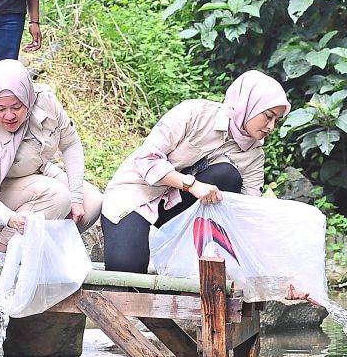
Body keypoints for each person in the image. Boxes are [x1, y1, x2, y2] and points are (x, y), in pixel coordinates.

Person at [100, 71, 291, 274]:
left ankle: (196, 256)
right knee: (126, 272)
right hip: (136, 197)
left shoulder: (253, 155)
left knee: (227, 175)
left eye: (276, 121)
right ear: (247, 104)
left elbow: (249, 213)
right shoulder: (195, 113)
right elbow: (145, 159)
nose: (270, 127)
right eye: (268, 116)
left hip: (182, 213)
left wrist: (280, 272)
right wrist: (192, 185)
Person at [0, 58, 102, 269]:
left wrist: (76, 198)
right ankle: (0, 252)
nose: (9, 115)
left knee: (91, 202)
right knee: (56, 196)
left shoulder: (44, 100)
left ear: (28, 97)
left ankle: (39, 249)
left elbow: (71, 143)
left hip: (29, 171)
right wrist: (10, 220)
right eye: (0, 109)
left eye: (17, 107)